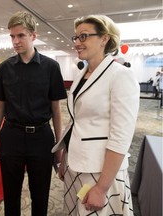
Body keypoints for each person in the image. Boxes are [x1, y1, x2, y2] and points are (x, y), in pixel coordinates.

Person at [52, 15, 139, 215]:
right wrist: (66, 156)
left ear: (104, 39)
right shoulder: (82, 75)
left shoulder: (120, 75)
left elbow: (121, 136)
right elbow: (77, 121)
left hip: (101, 172)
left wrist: (101, 188)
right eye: (75, 37)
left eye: (83, 36)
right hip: (76, 163)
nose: (77, 43)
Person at [0, 11, 67, 216]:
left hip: (41, 138)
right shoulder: (5, 68)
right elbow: (0, 106)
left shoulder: (51, 67)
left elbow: (56, 109)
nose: (15, 41)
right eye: (12, 36)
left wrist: (59, 145)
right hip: (11, 136)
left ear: (33, 35)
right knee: (11, 195)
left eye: (20, 35)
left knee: (40, 195)